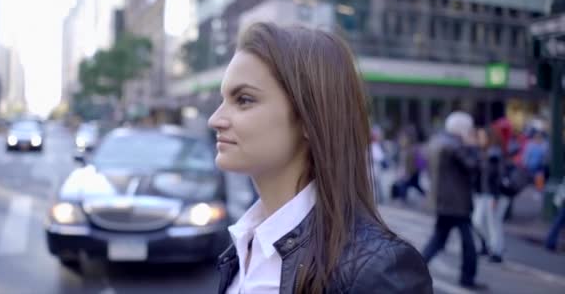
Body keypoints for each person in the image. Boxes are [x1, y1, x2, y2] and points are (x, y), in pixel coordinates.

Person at [208, 22, 432, 293]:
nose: (215, 119)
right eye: (223, 100)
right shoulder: (244, 243)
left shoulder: (378, 268)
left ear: (309, 118)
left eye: (243, 99)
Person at [421, 111, 485, 290]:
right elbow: (473, 166)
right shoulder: (455, 145)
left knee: (438, 240)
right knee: (468, 244)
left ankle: (414, 268)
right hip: (456, 204)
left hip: (443, 202)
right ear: (462, 128)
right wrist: (475, 146)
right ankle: (467, 278)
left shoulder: (438, 141)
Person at [472, 126, 508, 263]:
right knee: (479, 221)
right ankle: (490, 246)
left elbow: (498, 176)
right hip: (485, 193)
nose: (479, 139)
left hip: (494, 194)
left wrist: (495, 196)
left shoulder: (494, 153)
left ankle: (497, 251)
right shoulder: (484, 152)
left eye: (482, 137)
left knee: (494, 223)